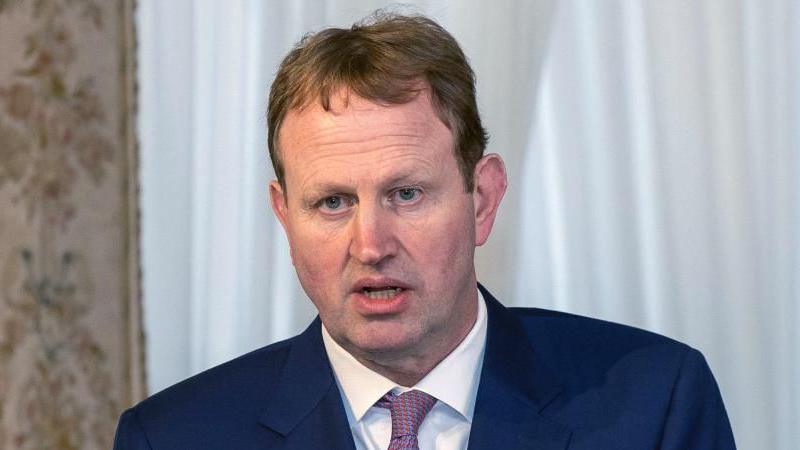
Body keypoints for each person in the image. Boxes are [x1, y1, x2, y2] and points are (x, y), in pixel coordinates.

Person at [113, 12, 736, 450]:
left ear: (482, 199)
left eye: (405, 194)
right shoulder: (172, 436)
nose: (370, 245)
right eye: (332, 202)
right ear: (284, 217)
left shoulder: (655, 404)